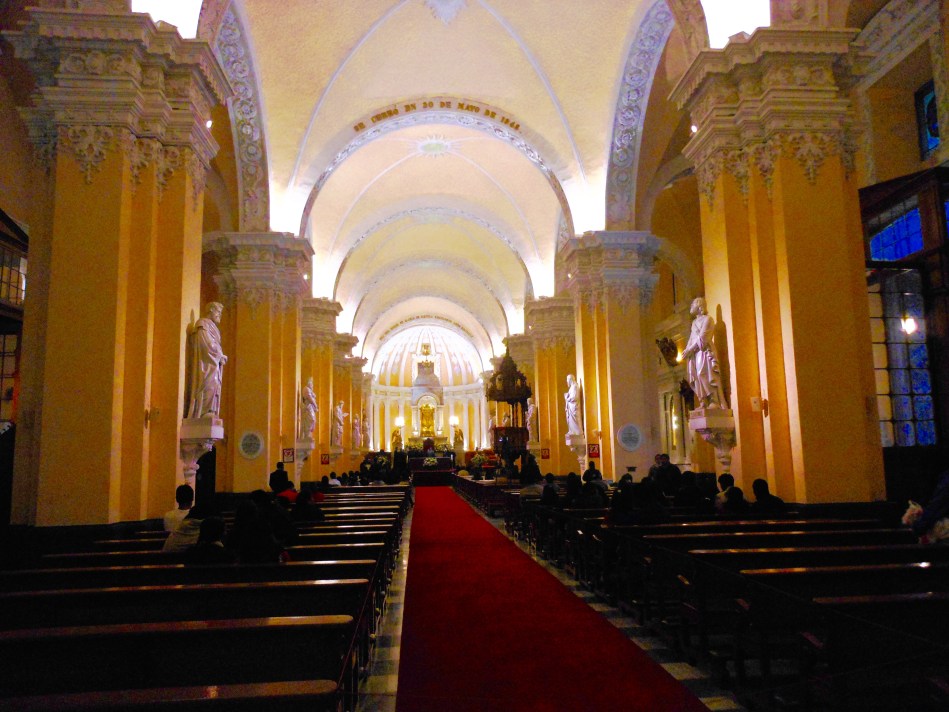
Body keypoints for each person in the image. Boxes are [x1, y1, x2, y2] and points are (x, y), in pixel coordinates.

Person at [682, 296, 727, 409]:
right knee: (696, 375)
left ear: (700, 306)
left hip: (704, 352)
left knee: (704, 373)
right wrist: (687, 349)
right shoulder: (694, 323)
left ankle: (714, 400)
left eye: (693, 304)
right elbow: (692, 338)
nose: (691, 306)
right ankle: (703, 400)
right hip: (695, 354)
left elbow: (703, 338)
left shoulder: (708, 319)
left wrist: (689, 349)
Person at [187, 302, 227, 418]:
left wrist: (220, 356)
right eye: (218, 312)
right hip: (207, 364)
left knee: (216, 385)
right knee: (210, 383)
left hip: (214, 363)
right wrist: (219, 355)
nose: (219, 315)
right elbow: (206, 344)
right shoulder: (203, 324)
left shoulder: (213, 327)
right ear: (210, 310)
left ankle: (210, 410)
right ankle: (204, 411)